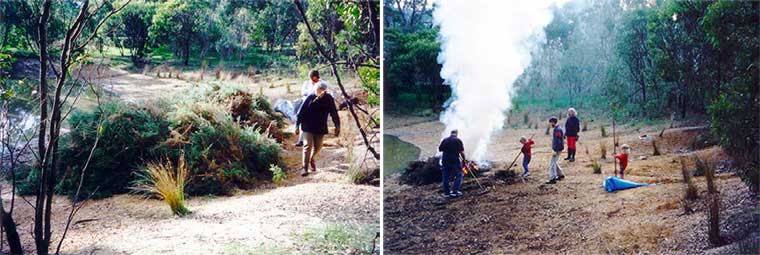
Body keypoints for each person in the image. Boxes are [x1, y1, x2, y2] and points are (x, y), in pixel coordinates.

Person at [295, 82, 340, 176]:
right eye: (317, 90)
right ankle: (305, 168)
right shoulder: (310, 97)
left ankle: (312, 159)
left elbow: (333, 112)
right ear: (315, 90)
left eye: (322, 91)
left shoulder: (328, 98)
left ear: (325, 91)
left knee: (318, 146)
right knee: (307, 146)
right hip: (308, 126)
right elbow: (301, 112)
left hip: (320, 126)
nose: (319, 92)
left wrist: (337, 125)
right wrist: (297, 126)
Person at [294, 70, 330, 147]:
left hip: (319, 106)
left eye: (314, 78)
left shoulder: (323, 84)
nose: (312, 79)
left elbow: (329, 92)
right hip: (306, 103)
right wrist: (313, 92)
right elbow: (303, 92)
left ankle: (314, 140)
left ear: (317, 77)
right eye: (311, 78)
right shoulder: (306, 83)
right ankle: (301, 140)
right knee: (303, 120)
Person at [438, 129, 466, 198]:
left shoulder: (445, 140)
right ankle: (454, 192)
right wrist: (464, 160)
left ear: (451, 133)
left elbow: (440, 149)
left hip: (445, 160)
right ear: (456, 134)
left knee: (445, 177)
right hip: (454, 161)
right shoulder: (458, 140)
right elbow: (462, 152)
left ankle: (447, 193)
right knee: (459, 175)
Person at [546, 117, 566, 184]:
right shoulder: (557, 129)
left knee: (552, 163)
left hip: (557, 149)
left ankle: (552, 178)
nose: (550, 124)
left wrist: (555, 150)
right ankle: (560, 175)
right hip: (558, 148)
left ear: (553, 122)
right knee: (555, 162)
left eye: (551, 123)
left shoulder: (557, 130)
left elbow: (558, 141)